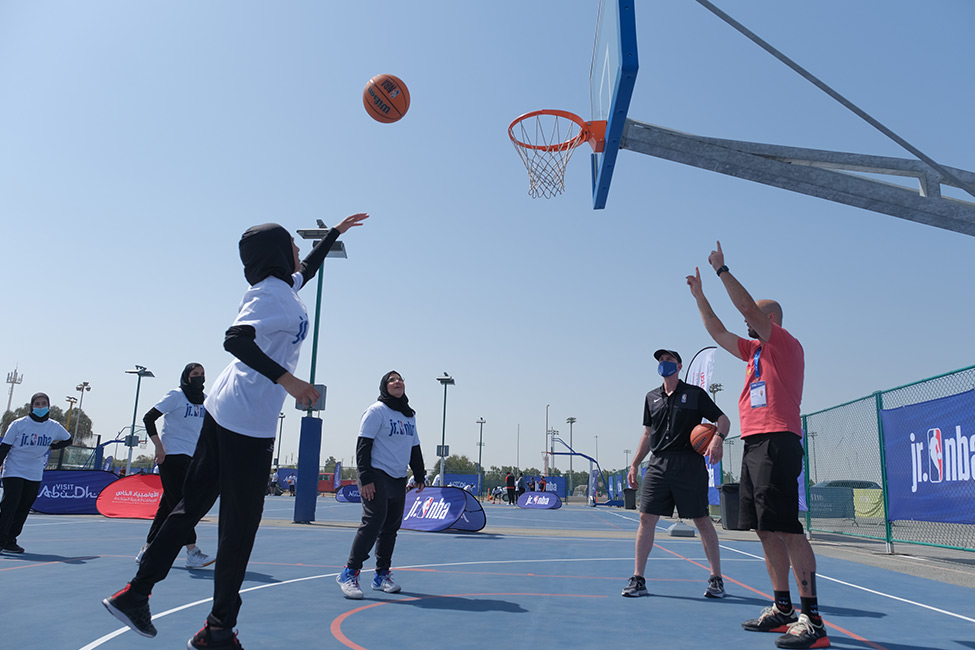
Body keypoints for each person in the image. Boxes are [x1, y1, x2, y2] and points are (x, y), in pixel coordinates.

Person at [103, 213, 368, 649]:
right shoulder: (268, 295)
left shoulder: (285, 287)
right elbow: (235, 339)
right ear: (277, 253)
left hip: (228, 409)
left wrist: (334, 235)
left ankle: (136, 594)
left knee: (192, 508)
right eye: (292, 244)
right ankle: (218, 629)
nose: (298, 250)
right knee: (239, 529)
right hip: (245, 419)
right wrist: (288, 380)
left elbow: (308, 268)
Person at [687, 241, 829, 649]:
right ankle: (783, 608)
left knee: (787, 528)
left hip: (777, 441)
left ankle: (812, 619)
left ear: (771, 320)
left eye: (753, 319)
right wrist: (700, 297)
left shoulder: (784, 343)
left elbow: (747, 310)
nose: (746, 323)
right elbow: (717, 330)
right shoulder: (753, 352)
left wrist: (721, 270)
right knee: (765, 529)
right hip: (753, 443)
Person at [621, 349, 731, 601]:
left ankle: (716, 578)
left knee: (702, 520)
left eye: (669, 360)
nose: (664, 363)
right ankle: (638, 578)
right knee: (646, 518)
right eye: (661, 360)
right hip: (658, 463)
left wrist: (717, 438)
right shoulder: (651, 397)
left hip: (688, 463)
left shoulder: (695, 394)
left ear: (679, 366)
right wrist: (635, 464)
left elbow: (723, 420)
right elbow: (648, 434)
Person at [336, 371, 426, 599]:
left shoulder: (409, 415)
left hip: (398, 476)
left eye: (400, 379)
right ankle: (349, 573)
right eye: (392, 380)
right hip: (376, 473)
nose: (397, 382)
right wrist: (365, 478)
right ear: (384, 386)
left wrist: (420, 474)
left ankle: (381, 575)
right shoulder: (376, 411)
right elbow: (363, 446)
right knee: (373, 522)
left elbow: (414, 447)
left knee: (391, 528)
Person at [135, 363, 214, 569]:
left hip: (193, 458)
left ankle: (147, 550)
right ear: (187, 376)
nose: (199, 377)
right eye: (195, 374)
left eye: (202, 374)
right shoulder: (176, 395)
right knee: (182, 504)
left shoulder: (206, 401)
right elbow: (149, 418)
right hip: (171, 456)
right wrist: (158, 447)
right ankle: (192, 551)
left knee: (168, 506)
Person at [0, 393, 72, 554]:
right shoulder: (18, 424)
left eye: (43, 404)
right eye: (37, 404)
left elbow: (68, 440)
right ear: (32, 406)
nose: (40, 407)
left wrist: (52, 447)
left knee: (24, 507)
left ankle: (10, 540)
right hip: (14, 469)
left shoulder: (54, 426)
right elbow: (4, 448)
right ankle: (0, 540)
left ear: (48, 406)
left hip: (34, 472)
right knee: (10, 505)